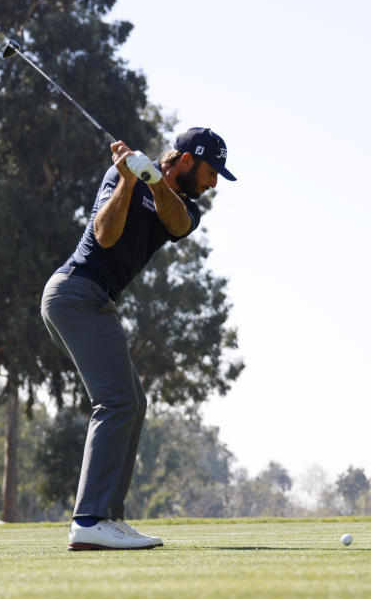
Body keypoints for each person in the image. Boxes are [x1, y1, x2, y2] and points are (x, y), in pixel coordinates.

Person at [41, 127, 237, 551]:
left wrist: (151, 180)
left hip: (93, 299)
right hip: (75, 292)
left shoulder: (183, 206)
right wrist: (130, 180)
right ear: (186, 160)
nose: (213, 182)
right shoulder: (118, 178)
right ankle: (90, 519)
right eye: (210, 171)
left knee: (135, 400)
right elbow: (105, 235)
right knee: (116, 402)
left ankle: (108, 517)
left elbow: (178, 223)